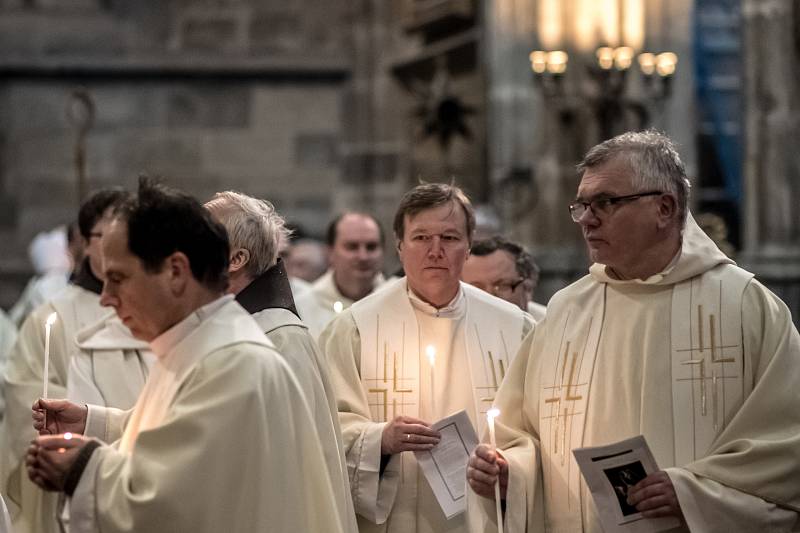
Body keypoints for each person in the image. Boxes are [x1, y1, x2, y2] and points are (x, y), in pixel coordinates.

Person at [466, 131, 800, 533]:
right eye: (582, 205)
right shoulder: (567, 313)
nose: (587, 219)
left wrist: (693, 494)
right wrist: (508, 477)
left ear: (664, 207)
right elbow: (522, 438)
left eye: (605, 203)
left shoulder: (745, 305)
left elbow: (786, 446)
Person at [25, 178, 343, 533]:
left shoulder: (235, 360)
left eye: (119, 277)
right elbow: (181, 436)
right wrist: (93, 423)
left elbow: (174, 502)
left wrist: (83, 467)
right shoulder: (199, 347)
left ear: (176, 272)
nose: (105, 297)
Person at [320, 183, 534, 533]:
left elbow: (537, 434)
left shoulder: (514, 329)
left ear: (468, 248)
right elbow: (325, 429)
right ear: (400, 247)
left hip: (481, 517)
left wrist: (511, 469)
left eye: (449, 238)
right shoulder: (353, 329)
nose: (435, 251)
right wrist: (381, 440)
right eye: (421, 238)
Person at [205, 190, 357, 532]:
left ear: (235, 259)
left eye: (199, 236)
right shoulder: (235, 328)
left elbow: (290, 473)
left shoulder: (280, 339)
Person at [0, 188, 129, 533]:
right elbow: (23, 397)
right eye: (107, 235)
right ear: (84, 244)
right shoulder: (52, 315)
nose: (120, 244)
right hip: (76, 486)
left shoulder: (146, 310)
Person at [296, 212, 385, 339]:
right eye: (352, 247)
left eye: (371, 247)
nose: (363, 256)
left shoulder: (400, 302)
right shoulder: (302, 309)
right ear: (330, 252)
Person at [461, 236, 546, 321]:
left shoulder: (553, 328)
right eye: (476, 289)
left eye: (502, 285)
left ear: (528, 287)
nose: (489, 298)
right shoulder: (451, 329)